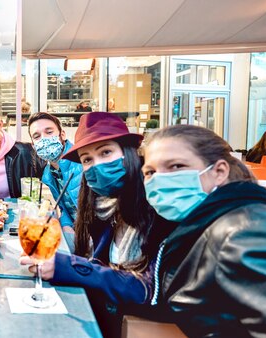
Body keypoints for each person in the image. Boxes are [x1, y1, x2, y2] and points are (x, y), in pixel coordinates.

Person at [20, 112, 174, 337]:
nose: (97, 165)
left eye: (106, 152)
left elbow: (148, 290)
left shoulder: (158, 208)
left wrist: (67, 266)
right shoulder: (101, 206)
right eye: (87, 160)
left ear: (129, 153)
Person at [142, 125, 266, 337]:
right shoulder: (199, 225)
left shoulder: (242, 233)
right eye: (150, 172)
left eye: (176, 166)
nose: (159, 180)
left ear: (219, 172)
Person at [27, 112, 82, 228]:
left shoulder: (83, 161)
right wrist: (66, 225)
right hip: (75, 231)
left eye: (49, 132)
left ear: (62, 135)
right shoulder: (48, 174)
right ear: (33, 146)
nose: (44, 139)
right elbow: (63, 207)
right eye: (37, 136)